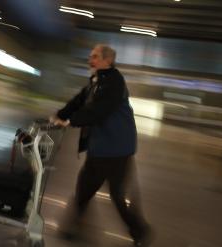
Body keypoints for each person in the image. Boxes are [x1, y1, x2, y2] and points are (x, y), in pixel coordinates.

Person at [50, 44, 152, 246]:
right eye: (90, 56)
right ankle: (73, 228)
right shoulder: (95, 82)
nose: (91, 60)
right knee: (84, 190)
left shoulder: (114, 82)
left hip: (117, 151)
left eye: (95, 56)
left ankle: (141, 231)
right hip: (99, 149)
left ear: (108, 60)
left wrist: (70, 122)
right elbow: (78, 102)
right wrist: (58, 116)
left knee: (117, 196)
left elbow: (99, 110)